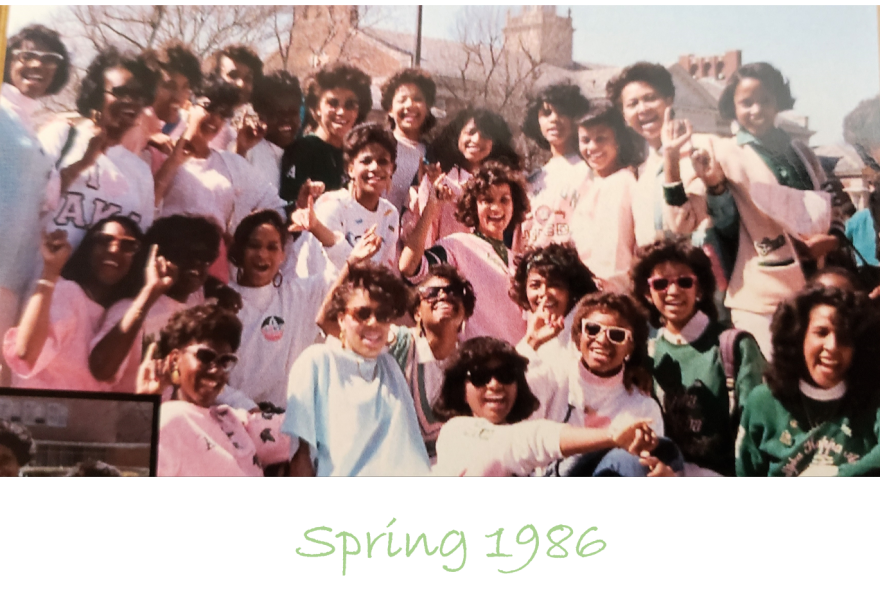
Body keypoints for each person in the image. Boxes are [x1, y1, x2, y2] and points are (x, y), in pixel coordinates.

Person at [709, 62, 838, 357]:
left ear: (778, 100)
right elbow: (716, 215)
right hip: (760, 295)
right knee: (769, 379)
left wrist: (833, 238)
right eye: (746, 103)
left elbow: (833, 202)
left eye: (765, 100)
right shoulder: (726, 152)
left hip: (813, 289)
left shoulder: (801, 151)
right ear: (733, 106)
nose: (757, 110)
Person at [632, 237, 766, 476]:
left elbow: (756, 430)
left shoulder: (734, 346)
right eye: (660, 283)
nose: (672, 291)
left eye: (684, 282)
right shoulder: (647, 354)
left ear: (700, 289)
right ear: (647, 292)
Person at [284, 262, 432, 477]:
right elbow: (301, 457)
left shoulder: (389, 367)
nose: (373, 323)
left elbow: (411, 454)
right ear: (341, 318)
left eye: (383, 315)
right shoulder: (316, 363)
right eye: (362, 313)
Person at [432, 337, 659, 477]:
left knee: (636, 461)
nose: (495, 385)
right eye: (480, 377)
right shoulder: (456, 432)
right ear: (461, 389)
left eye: (505, 375)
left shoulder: (517, 428)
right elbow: (523, 441)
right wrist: (612, 436)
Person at [319, 262, 475, 460]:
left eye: (453, 292)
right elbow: (327, 321)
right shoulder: (396, 343)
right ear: (417, 312)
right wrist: (350, 265)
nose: (443, 296)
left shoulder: (471, 362)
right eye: (432, 292)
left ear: (465, 313)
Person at [226, 208, 377, 410]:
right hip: (233, 420)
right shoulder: (221, 300)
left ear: (282, 255)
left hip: (284, 427)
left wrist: (318, 230)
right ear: (239, 251)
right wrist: (246, 408)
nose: (262, 254)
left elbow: (343, 275)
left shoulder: (299, 296)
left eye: (272, 247)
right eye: (254, 246)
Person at [2, 216, 167, 392]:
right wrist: (50, 271)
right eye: (103, 240)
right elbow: (25, 355)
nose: (113, 249)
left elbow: (110, 377)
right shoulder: (66, 293)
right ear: (88, 248)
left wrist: (149, 293)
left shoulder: (126, 312)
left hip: (89, 418)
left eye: (128, 246)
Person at [528, 292, 683, 477]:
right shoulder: (554, 377)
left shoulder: (643, 406)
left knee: (632, 460)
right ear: (578, 336)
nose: (601, 340)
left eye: (616, 335)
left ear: (631, 346)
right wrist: (531, 343)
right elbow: (514, 429)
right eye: (592, 329)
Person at [153, 76, 288, 282]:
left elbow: (274, 205)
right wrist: (173, 162)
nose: (214, 119)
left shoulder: (230, 162)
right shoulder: (160, 152)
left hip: (213, 269)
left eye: (223, 114)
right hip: (170, 264)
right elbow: (146, 208)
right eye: (209, 107)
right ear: (189, 104)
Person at [736, 286, 880, 477]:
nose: (832, 346)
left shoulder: (872, 397)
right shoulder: (763, 402)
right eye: (821, 332)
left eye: (844, 336)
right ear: (798, 335)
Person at [0, 25, 71, 385]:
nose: (37, 65)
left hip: (12, 284)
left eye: (49, 59)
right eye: (26, 55)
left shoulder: (32, 131)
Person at [38, 47, 159, 253]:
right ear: (96, 94)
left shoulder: (140, 172)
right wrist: (83, 163)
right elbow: (27, 201)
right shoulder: (62, 136)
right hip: (37, 275)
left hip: (90, 285)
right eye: (120, 92)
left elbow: (138, 241)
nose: (130, 101)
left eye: (138, 95)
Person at [89, 215, 228, 393]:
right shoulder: (128, 309)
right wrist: (151, 291)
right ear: (157, 256)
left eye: (205, 257)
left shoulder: (198, 305)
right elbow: (101, 370)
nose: (196, 264)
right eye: (184, 254)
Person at [150, 303, 291, 477]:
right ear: (174, 361)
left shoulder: (230, 419)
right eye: (205, 357)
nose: (216, 370)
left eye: (224, 361)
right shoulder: (169, 420)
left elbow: (295, 432)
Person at [400, 161, 529, 346]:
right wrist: (432, 206)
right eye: (487, 200)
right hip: (475, 360)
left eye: (504, 200)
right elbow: (409, 267)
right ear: (474, 204)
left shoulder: (518, 261)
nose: (496, 208)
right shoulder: (457, 245)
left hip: (515, 364)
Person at [607, 62, 726, 248]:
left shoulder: (705, 147)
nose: (643, 109)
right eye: (632, 104)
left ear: (669, 99)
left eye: (650, 98)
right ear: (624, 116)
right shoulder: (642, 174)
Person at [403, 107, 521, 248]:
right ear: (457, 136)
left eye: (485, 135)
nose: (476, 140)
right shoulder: (440, 181)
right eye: (470, 132)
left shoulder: (505, 186)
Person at [293, 123, 401, 276]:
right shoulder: (331, 204)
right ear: (350, 168)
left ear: (392, 169)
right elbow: (337, 262)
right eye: (366, 161)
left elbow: (385, 270)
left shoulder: (390, 214)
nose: (375, 167)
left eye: (382, 161)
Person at [568, 100, 642, 291]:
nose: (592, 148)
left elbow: (613, 253)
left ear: (617, 140)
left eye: (600, 139)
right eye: (585, 140)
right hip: (583, 287)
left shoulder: (624, 182)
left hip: (611, 291)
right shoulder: (587, 184)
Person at [279, 63, 372, 206]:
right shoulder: (302, 150)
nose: (341, 112)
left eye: (350, 105)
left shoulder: (355, 153)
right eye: (332, 103)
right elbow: (287, 205)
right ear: (316, 108)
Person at [519, 82, 591, 249]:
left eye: (563, 113)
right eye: (547, 113)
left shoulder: (589, 172)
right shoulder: (533, 178)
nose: (554, 119)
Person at [510, 243, 598, 362]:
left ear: (571, 290)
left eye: (554, 285)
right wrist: (533, 341)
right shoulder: (532, 332)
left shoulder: (589, 333)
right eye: (535, 285)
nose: (544, 293)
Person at [122, 41, 202, 166]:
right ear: (149, 85)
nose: (179, 97)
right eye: (169, 86)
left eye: (185, 88)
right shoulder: (134, 124)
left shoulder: (150, 127)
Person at [380, 68, 437, 214]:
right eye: (402, 100)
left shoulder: (433, 155)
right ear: (390, 109)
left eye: (418, 99)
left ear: (427, 108)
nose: (410, 105)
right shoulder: (378, 146)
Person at [237, 70, 302, 192]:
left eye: (292, 112)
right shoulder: (249, 152)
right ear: (261, 114)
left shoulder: (302, 152)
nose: (286, 119)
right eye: (278, 113)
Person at [206, 45, 264, 151]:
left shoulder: (234, 130)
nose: (240, 84)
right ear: (215, 77)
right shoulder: (203, 122)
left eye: (248, 78)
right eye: (233, 75)